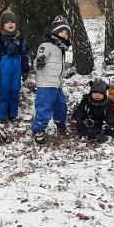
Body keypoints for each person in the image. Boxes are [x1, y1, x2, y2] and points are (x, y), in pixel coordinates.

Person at [31, 16, 73, 144]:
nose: (64, 35)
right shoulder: (46, 45)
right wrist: (40, 61)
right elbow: (37, 63)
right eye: (62, 32)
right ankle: (38, 129)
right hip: (46, 84)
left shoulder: (61, 49)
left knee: (61, 106)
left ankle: (60, 125)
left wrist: (66, 74)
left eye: (66, 33)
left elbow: (58, 67)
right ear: (55, 32)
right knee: (44, 107)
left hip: (57, 85)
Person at [0, 11, 30, 122]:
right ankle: (1, 115)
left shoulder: (20, 38)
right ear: (3, 25)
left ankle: (13, 113)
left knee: (15, 89)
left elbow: (24, 53)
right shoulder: (0, 39)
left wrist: (25, 67)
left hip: (16, 64)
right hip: (4, 64)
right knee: (4, 89)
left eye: (12, 21)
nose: (10, 23)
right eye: (7, 22)